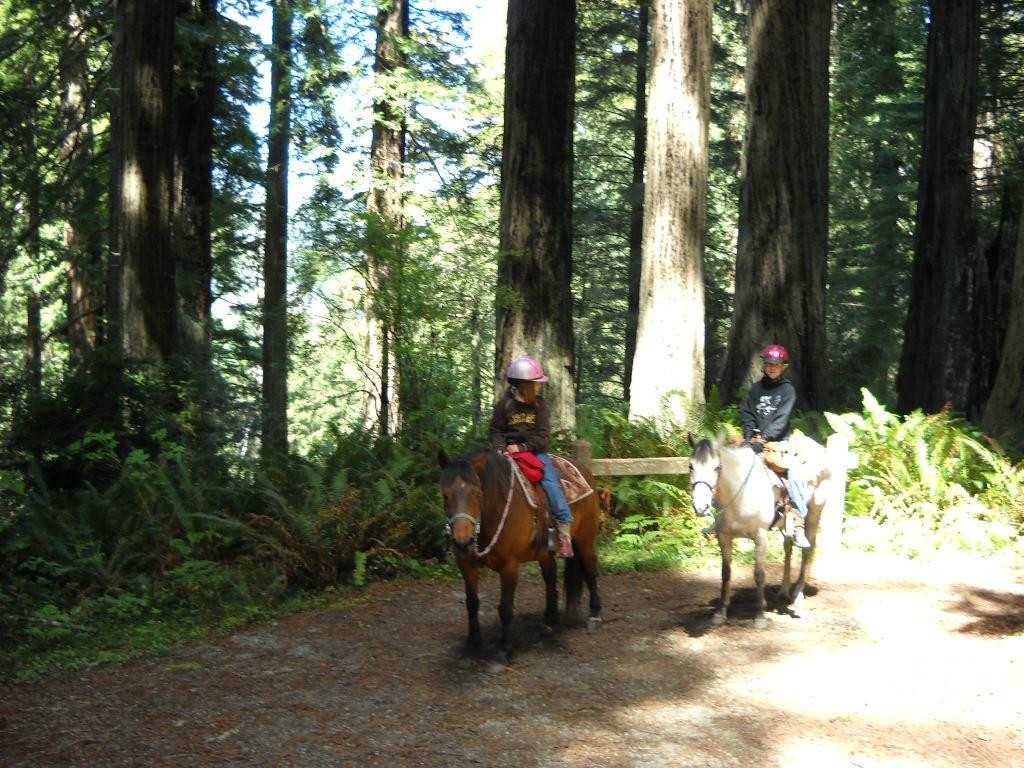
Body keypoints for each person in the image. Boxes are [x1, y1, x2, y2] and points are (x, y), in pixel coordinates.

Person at [488, 356, 574, 558]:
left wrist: (522, 447)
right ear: (525, 385)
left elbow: (543, 435)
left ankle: (563, 530)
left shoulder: (539, 405)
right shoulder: (504, 405)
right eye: (536, 384)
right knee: (489, 482)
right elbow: (496, 431)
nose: (539, 387)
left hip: (535, 452)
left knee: (550, 482)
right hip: (507, 452)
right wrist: (500, 448)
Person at [739, 344, 811, 548]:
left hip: (779, 443)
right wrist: (749, 438)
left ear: (783, 367)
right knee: (727, 465)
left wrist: (763, 440)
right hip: (755, 440)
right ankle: (724, 517)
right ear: (764, 366)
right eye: (769, 364)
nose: (772, 367)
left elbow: (781, 419)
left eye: (776, 365)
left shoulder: (787, 390)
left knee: (795, 472)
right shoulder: (755, 389)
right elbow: (748, 414)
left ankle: (798, 523)